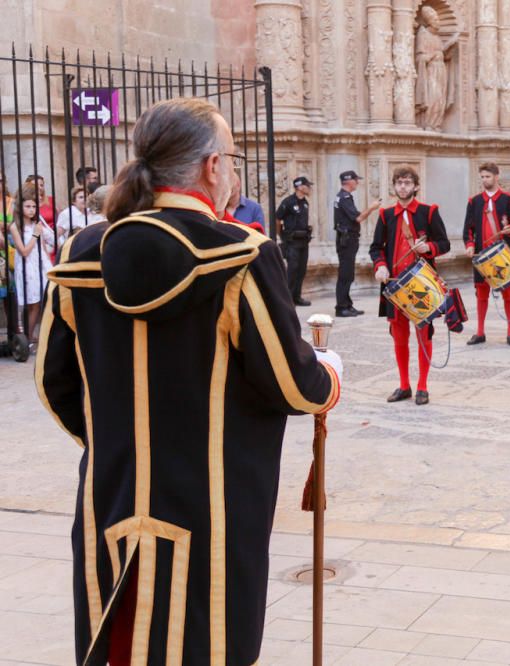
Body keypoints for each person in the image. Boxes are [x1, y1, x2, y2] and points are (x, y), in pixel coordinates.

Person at [35, 97, 344, 665]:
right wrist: (328, 374)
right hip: (212, 509)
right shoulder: (241, 255)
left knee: (121, 647)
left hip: (110, 496)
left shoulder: (81, 255)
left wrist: (119, 440)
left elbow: (54, 384)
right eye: (232, 157)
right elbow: (293, 385)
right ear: (210, 167)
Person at [370, 165, 451, 405]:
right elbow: (376, 247)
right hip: (394, 286)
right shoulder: (385, 215)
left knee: (423, 335)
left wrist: (429, 248)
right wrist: (380, 266)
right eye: (399, 182)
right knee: (399, 337)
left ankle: (422, 386)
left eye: (407, 182)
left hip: (421, 285)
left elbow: (444, 243)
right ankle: (404, 385)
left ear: (416, 186)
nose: (403, 186)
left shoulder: (429, 212)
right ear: (394, 186)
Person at [462, 161, 510, 346]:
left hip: (502, 254)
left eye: (488, 176)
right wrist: (470, 245)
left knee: (508, 294)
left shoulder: (509, 200)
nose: (485, 180)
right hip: (482, 255)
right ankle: (480, 332)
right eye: (482, 177)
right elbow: (468, 228)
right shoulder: (474, 201)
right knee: (481, 294)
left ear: (497, 177)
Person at [9, 185, 54, 348]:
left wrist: (49, 264)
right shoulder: (15, 227)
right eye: (28, 206)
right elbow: (24, 251)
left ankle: (33, 335)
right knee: (32, 303)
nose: (31, 210)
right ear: (20, 207)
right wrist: (35, 234)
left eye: (34, 206)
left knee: (42, 301)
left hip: (41, 265)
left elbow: (43, 246)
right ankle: (26, 338)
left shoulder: (37, 223)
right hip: (27, 267)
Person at [334, 170, 380, 317]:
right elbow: (358, 218)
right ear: (349, 181)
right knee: (345, 274)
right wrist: (372, 208)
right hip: (346, 241)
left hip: (347, 240)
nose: (357, 183)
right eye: (356, 180)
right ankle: (341, 307)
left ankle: (347, 304)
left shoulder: (343, 197)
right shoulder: (344, 198)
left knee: (348, 274)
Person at [276, 175, 314, 306]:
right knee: (292, 270)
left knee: (301, 270)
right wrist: (282, 236)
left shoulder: (305, 202)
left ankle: (296, 297)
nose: (309, 188)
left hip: (304, 241)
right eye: (307, 186)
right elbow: (277, 218)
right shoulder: (288, 202)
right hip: (292, 241)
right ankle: (287, 300)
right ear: (299, 187)